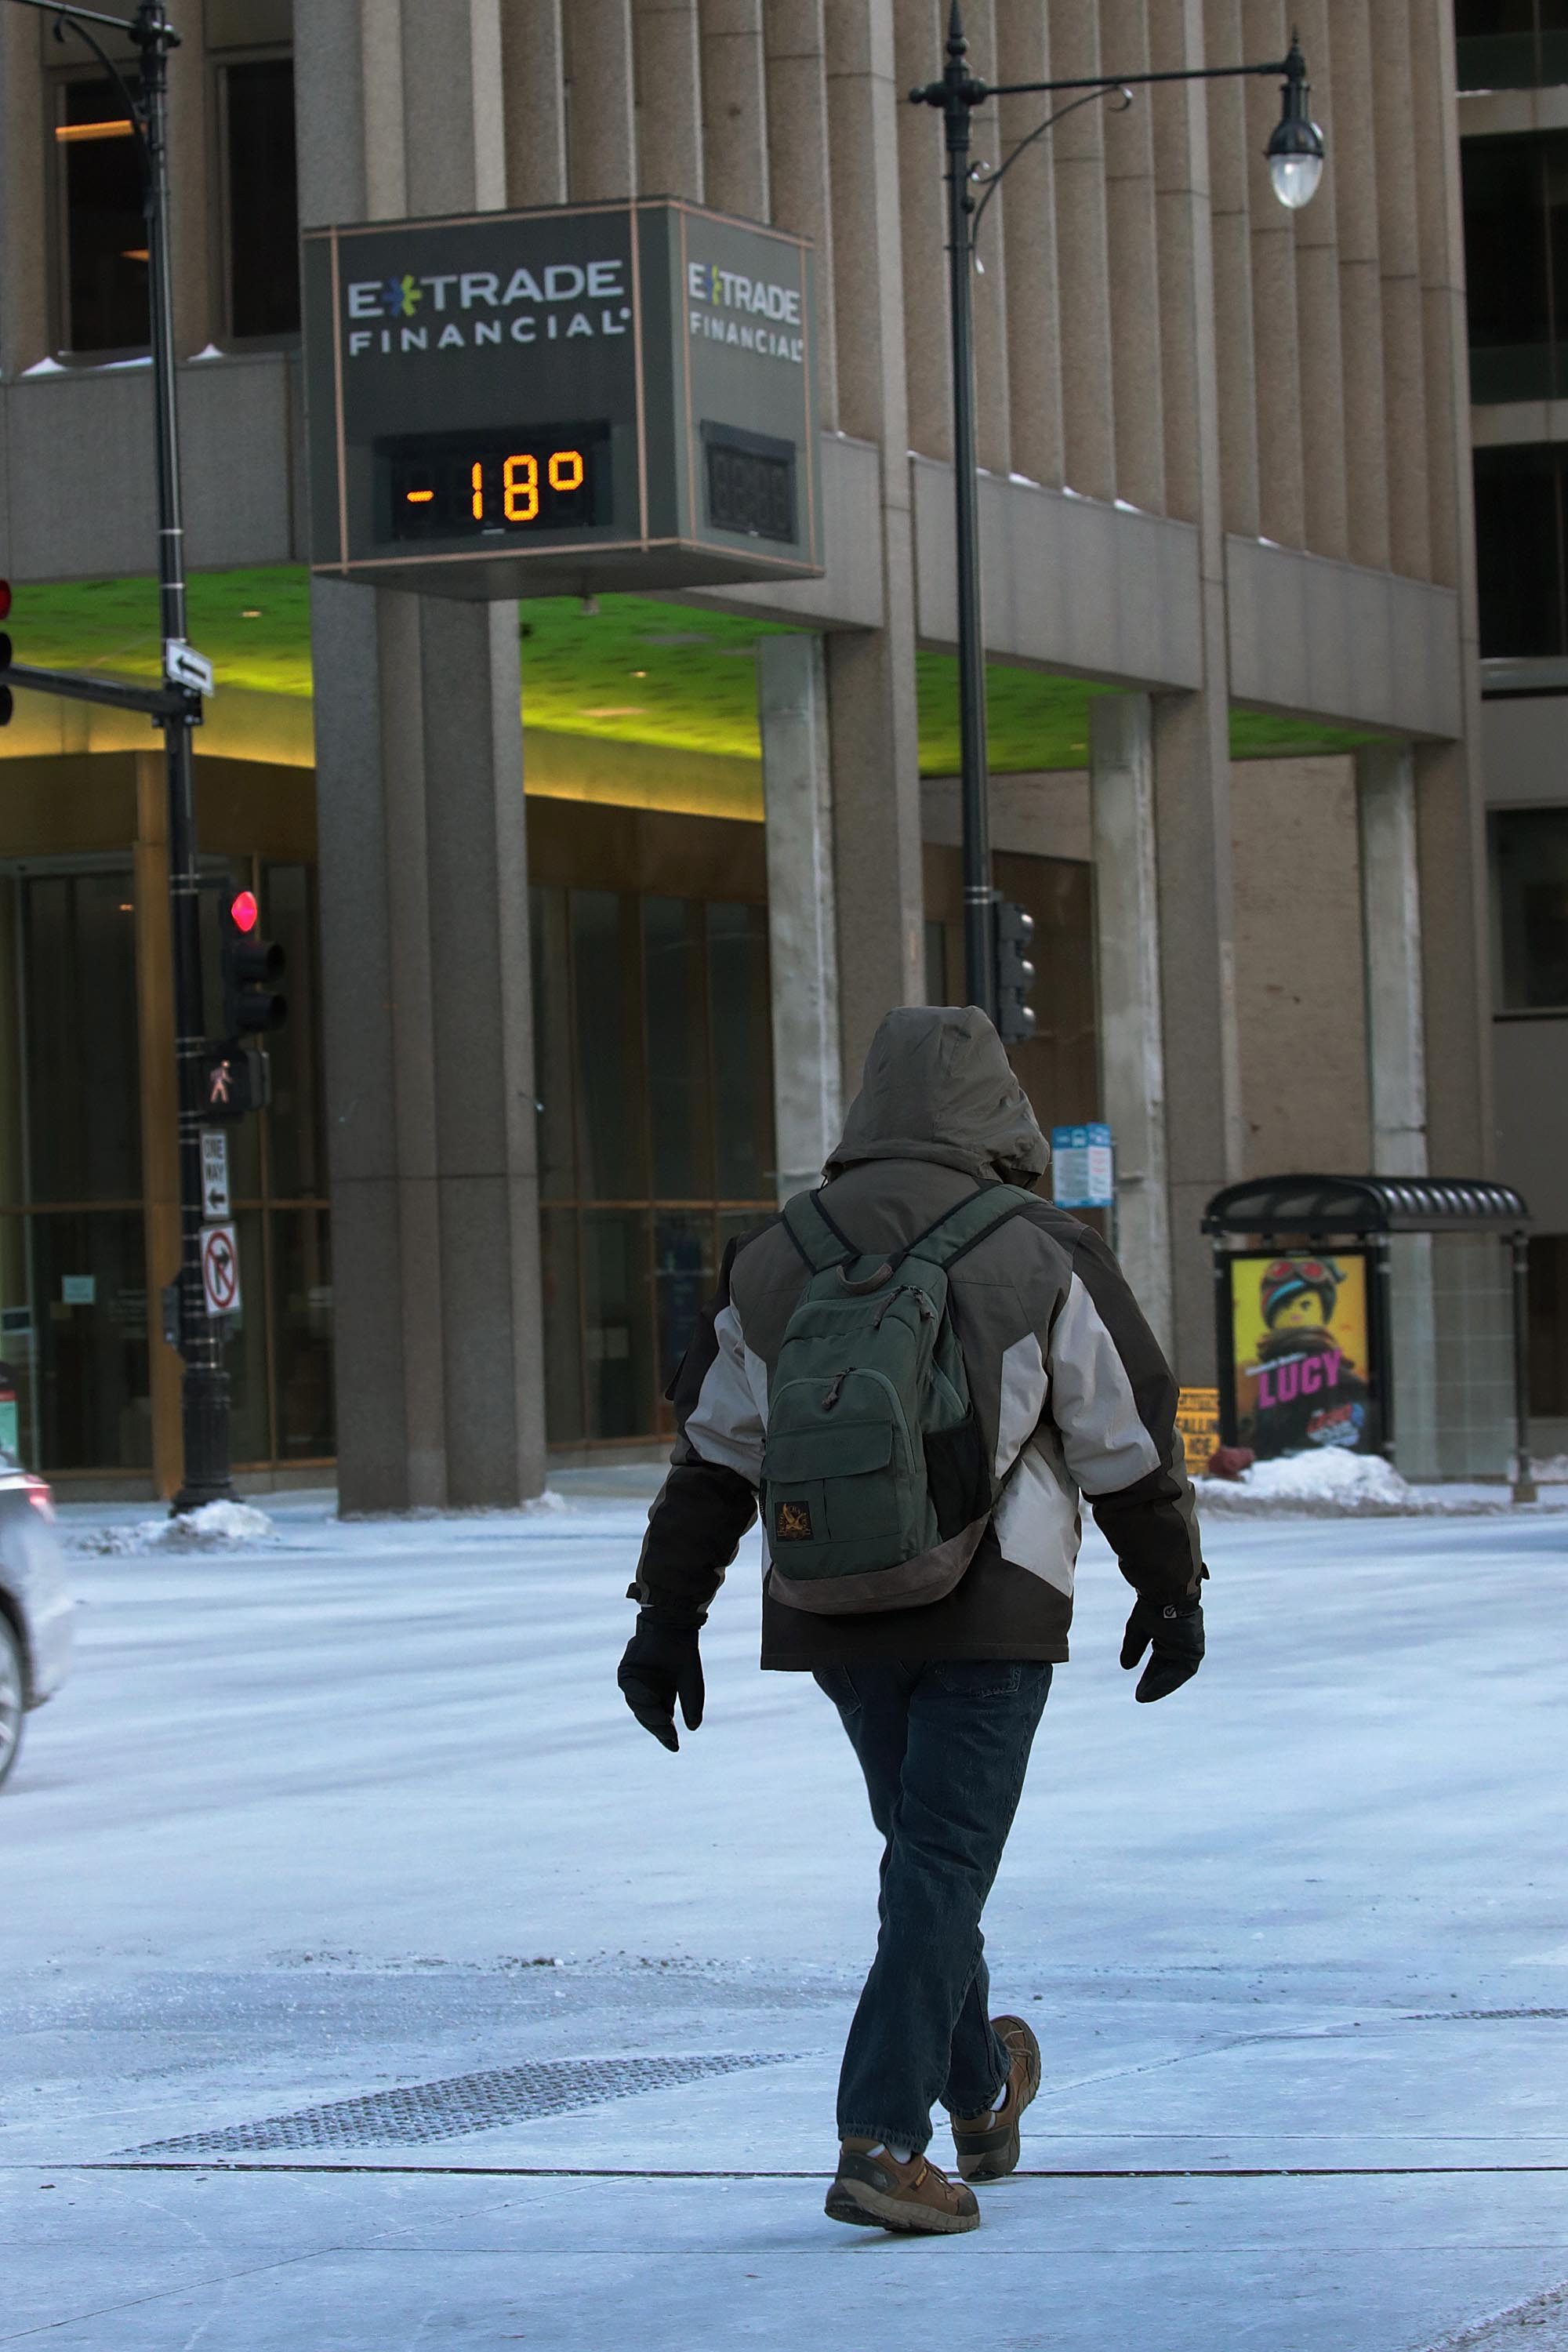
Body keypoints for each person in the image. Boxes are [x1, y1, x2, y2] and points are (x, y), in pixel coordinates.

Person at [617, 1004, 1207, 2236]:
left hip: (831, 1599)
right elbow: (1120, 1440)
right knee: (939, 1867)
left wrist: (667, 1621)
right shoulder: (1041, 1247)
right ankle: (883, 2141)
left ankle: (983, 2094)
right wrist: (1170, 1584)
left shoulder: (778, 1254)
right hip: (994, 1604)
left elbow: (716, 1458)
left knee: (926, 1863)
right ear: (999, 1105)